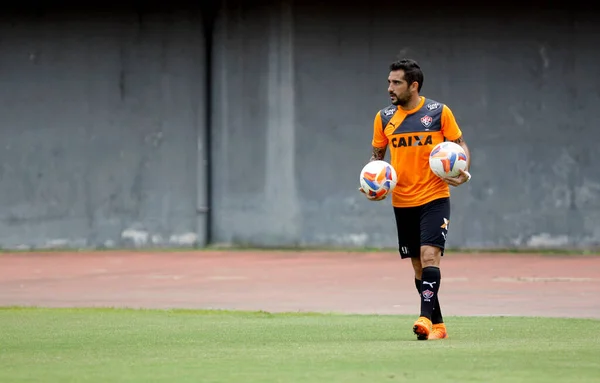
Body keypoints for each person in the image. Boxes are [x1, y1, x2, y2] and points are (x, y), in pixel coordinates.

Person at [359, 58, 471, 340]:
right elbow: (376, 159)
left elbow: (459, 145)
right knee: (418, 266)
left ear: (414, 85)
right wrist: (373, 186)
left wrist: (463, 167)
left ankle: (423, 317)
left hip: (434, 196)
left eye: (396, 82)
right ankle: (440, 326)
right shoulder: (383, 118)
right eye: (389, 82)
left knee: (430, 255)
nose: (390, 88)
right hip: (403, 201)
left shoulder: (438, 112)